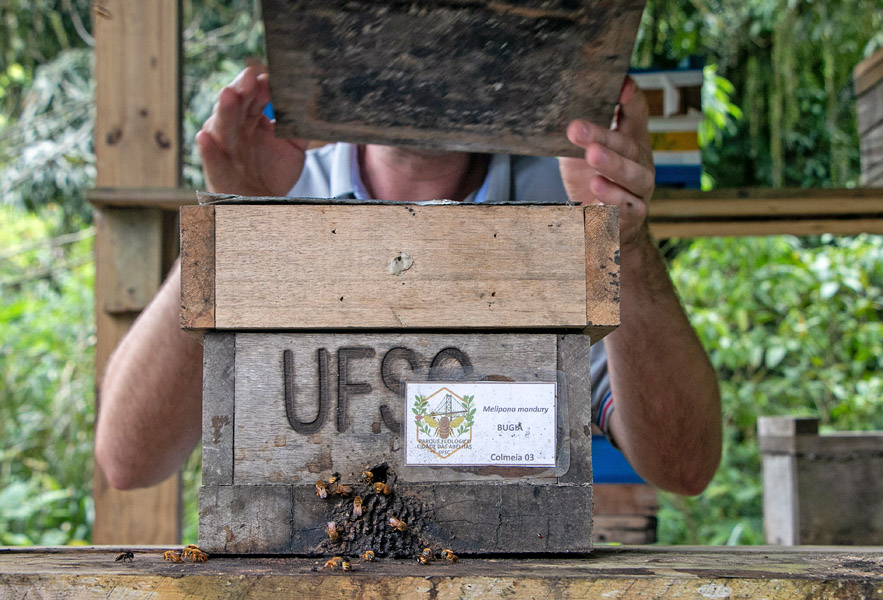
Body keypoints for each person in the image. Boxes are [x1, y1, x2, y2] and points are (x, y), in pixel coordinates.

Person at [95, 66, 722, 496]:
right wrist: (231, 226)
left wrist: (622, 245)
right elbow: (129, 460)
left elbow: (683, 465)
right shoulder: (277, 191)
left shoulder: (564, 201)